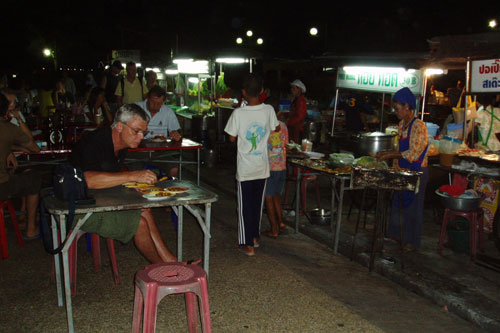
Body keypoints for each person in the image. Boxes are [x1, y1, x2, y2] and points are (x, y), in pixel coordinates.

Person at [69, 103, 179, 263]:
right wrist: (133, 176)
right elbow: (89, 180)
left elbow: (110, 179)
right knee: (139, 224)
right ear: (120, 126)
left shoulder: (121, 145)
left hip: (97, 200)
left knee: (144, 210)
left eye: (144, 132)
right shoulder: (95, 142)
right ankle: (162, 269)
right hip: (77, 208)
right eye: (137, 131)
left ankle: (171, 262)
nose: (141, 137)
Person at [224, 73, 279, 256]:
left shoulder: (238, 113)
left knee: (244, 207)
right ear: (262, 91)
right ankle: (254, 237)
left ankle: (246, 243)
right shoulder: (269, 110)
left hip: (246, 169)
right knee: (257, 205)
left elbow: (231, 138)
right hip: (262, 167)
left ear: (244, 92)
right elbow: (275, 127)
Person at [376, 87, 429, 252]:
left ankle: (411, 241)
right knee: (398, 203)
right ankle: (395, 234)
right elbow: (399, 148)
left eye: (397, 108)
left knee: (413, 207)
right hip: (403, 169)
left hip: (417, 170)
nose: (395, 111)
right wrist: (389, 158)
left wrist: (391, 154)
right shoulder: (401, 125)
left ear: (407, 107)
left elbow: (413, 153)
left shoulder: (418, 125)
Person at [0, 92, 42, 240]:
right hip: (2, 185)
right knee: (33, 178)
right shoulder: (8, 128)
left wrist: (9, 149)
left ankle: (21, 216)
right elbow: (35, 148)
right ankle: (31, 229)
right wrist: (17, 119)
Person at [262, 96, 288, 239]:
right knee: (276, 195)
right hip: (282, 166)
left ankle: (274, 229)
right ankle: (282, 222)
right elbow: (286, 144)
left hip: (269, 168)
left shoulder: (265, 127)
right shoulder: (283, 126)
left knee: (268, 198)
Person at [286, 79, 307, 143]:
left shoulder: (301, 100)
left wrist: (288, 123)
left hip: (298, 128)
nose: (292, 90)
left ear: (299, 89)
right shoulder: (296, 99)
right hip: (294, 127)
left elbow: (300, 116)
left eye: (294, 88)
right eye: (292, 88)